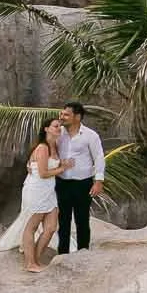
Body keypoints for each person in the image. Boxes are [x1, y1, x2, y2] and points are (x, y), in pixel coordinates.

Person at [0, 119, 65, 270]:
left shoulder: (56, 147)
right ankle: (30, 263)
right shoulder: (42, 148)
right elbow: (44, 173)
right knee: (32, 226)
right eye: (56, 126)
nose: (60, 128)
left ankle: (35, 259)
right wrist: (62, 169)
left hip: (49, 191)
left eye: (60, 126)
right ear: (46, 129)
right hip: (36, 190)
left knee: (51, 228)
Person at [55, 101, 105, 255]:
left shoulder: (90, 135)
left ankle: (83, 253)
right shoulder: (58, 133)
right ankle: (62, 254)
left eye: (66, 114)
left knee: (82, 220)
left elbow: (98, 157)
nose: (62, 117)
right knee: (63, 221)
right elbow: (46, 149)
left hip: (83, 184)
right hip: (61, 182)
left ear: (77, 117)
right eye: (62, 114)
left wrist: (98, 181)